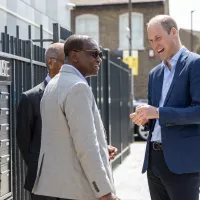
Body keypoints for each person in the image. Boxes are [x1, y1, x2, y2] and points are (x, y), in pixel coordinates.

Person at [32, 35, 119, 200]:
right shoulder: (77, 87)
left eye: (99, 54)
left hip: (56, 188)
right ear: (74, 56)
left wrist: (101, 148)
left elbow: (62, 137)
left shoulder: (54, 84)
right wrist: (104, 192)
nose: (99, 59)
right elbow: (86, 147)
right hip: (78, 190)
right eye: (93, 54)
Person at [130, 15, 200, 200]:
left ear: (174, 32)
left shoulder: (195, 64)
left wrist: (158, 112)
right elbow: (154, 118)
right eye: (151, 40)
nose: (155, 45)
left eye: (158, 38)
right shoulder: (155, 74)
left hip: (182, 162)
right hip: (154, 161)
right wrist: (145, 118)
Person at [16, 42, 65, 200]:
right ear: (51, 62)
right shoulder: (30, 98)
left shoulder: (74, 95)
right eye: (66, 62)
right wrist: (42, 171)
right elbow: (24, 142)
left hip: (72, 182)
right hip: (43, 184)